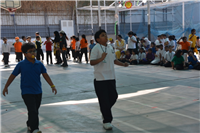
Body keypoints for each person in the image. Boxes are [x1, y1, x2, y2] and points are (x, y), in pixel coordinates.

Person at [2, 43, 57, 133]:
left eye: (34, 51)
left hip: (38, 91)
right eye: (30, 51)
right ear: (25, 53)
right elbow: (13, 75)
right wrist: (6, 86)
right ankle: (35, 129)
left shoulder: (39, 64)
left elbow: (45, 75)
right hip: (27, 92)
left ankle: (29, 124)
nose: (33, 53)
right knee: (33, 111)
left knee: (34, 111)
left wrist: (52, 85)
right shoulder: (21, 64)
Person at [90, 29, 128, 130]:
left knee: (113, 97)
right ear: (98, 39)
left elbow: (114, 60)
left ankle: (105, 111)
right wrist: (101, 59)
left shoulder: (111, 47)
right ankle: (107, 121)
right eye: (103, 35)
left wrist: (123, 64)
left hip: (111, 77)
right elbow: (92, 62)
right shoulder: (96, 48)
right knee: (104, 100)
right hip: (100, 79)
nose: (106, 37)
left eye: (106, 35)